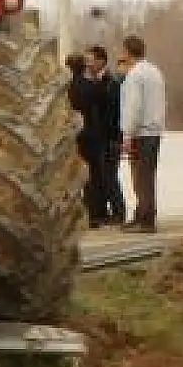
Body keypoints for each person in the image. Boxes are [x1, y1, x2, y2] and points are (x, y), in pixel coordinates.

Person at [117, 36, 165, 232]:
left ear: (128, 52)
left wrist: (127, 134)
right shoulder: (155, 71)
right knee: (148, 175)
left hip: (140, 132)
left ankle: (146, 220)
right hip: (154, 131)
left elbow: (133, 106)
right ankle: (143, 214)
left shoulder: (135, 75)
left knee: (140, 177)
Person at [66, 53, 110, 226]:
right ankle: (94, 214)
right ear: (83, 67)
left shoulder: (65, 87)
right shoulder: (90, 86)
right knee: (93, 176)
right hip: (90, 135)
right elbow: (104, 98)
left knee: (72, 176)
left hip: (71, 136)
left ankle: (73, 215)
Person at [88, 44, 127, 226]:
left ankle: (119, 212)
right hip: (100, 138)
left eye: (91, 60)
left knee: (110, 176)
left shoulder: (110, 82)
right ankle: (104, 212)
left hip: (110, 137)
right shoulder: (98, 81)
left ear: (101, 61)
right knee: (103, 176)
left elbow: (113, 112)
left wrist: (113, 138)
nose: (88, 64)